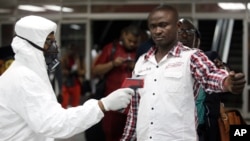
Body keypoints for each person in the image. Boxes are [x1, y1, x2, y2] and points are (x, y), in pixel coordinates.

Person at [121, 5, 246, 141]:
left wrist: (227, 82)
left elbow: (212, 76)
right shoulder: (141, 62)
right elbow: (134, 107)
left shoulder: (195, 57)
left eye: (163, 25)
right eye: (153, 26)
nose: (158, 30)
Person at [0, 15, 134, 141]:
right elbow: (53, 123)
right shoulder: (24, 78)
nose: (54, 48)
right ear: (29, 45)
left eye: (54, 41)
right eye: (48, 42)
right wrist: (102, 105)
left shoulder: (27, 73)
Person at [92, 25, 141, 141]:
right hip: (112, 104)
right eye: (129, 40)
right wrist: (113, 64)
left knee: (134, 136)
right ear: (123, 35)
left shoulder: (140, 52)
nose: (132, 44)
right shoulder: (110, 49)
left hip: (134, 104)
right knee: (111, 135)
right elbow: (95, 70)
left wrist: (136, 67)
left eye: (135, 42)